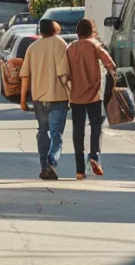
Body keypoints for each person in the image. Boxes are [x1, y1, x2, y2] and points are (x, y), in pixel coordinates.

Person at [19, 19, 71, 180]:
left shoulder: (32, 48)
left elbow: (25, 75)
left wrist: (22, 99)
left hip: (38, 97)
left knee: (43, 131)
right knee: (56, 133)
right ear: (55, 29)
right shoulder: (61, 44)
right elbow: (64, 73)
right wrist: (71, 91)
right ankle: (52, 159)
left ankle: (44, 166)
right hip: (58, 96)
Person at [66, 18, 117, 180]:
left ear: (77, 32)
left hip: (75, 96)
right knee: (95, 127)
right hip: (94, 95)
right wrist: (114, 81)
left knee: (78, 131)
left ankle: (79, 170)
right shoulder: (95, 45)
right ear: (91, 31)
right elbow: (111, 64)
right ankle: (93, 157)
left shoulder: (70, 48)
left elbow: (65, 72)